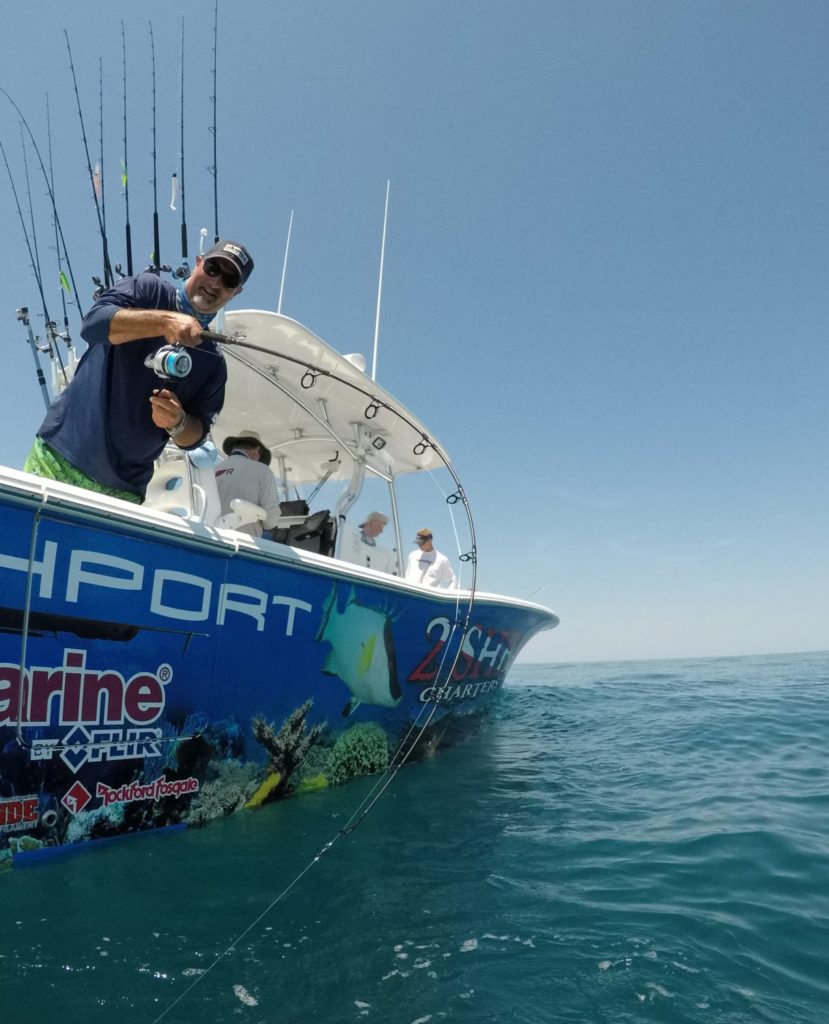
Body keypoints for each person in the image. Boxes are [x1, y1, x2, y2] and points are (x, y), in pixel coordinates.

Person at [23, 240, 254, 504]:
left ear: (236, 292)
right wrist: (165, 321)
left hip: (123, 492)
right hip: (57, 459)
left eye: (229, 279)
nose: (215, 283)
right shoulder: (148, 288)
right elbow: (93, 325)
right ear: (199, 263)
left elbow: (194, 437)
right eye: (213, 268)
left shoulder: (213, 363)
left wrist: (177, 422)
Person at [215, 430, 281, 538]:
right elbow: (270, 519)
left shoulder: (213, 470)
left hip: (211, 539)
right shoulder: (262, 470)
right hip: (246, 543)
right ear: (255, 452)